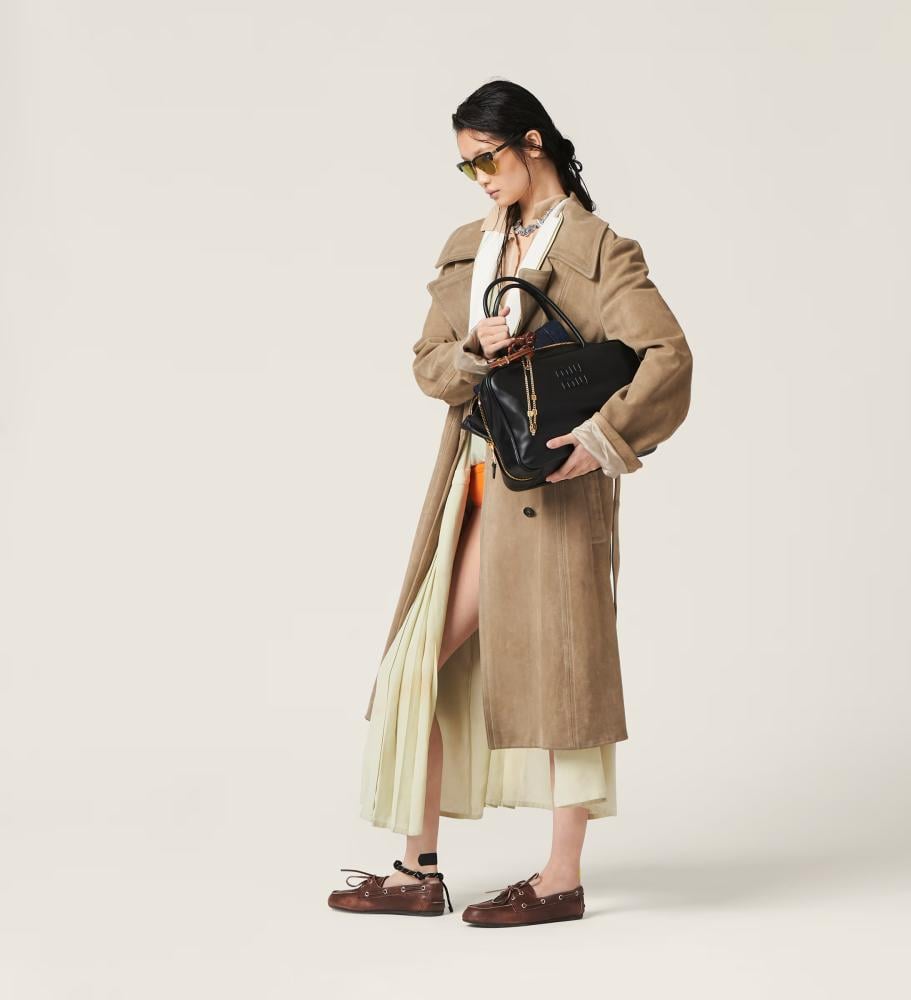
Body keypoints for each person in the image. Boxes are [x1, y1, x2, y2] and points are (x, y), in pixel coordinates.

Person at [328, 80, 693, 927]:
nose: (480, 178)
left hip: (550, 492)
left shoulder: (599, 249)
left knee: (566, 675)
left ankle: (560, 879)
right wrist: (472, 348)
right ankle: (418, 871)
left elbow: (668, 357)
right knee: (417, 662)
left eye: (486, 159)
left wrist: (599, 441)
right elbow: (428, 365)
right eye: (466, 167)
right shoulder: (470, 248)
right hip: (471, 483)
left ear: (533, 143)